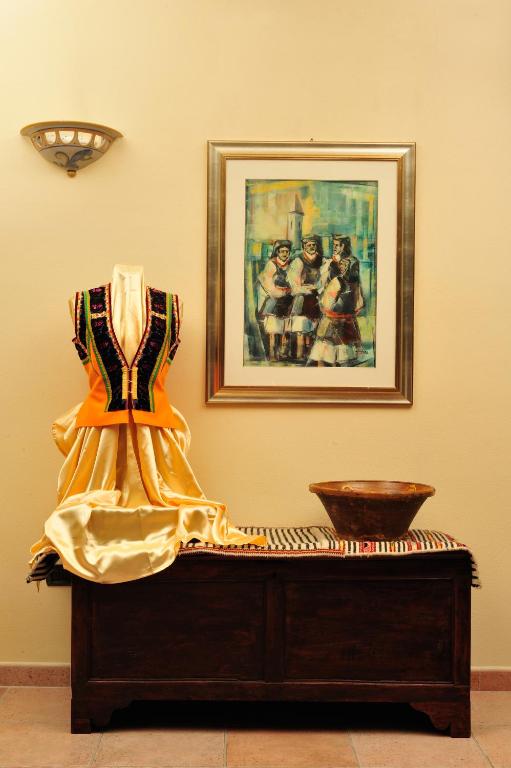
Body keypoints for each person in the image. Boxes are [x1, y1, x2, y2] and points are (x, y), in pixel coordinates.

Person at [28, 264, 265, 584]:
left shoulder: (170, 305)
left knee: (190, 511)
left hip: (156, 443)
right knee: (77, 513)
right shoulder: (82, 303)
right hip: (98, 442)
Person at [309, 235, 365, 366]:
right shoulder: (330, 262)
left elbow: (355, 284)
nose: (334, 247)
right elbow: (323, 281)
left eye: (337, 245)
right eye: (333, 245)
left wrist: (356, 301)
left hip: (344, 303)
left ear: (344, 246)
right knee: (327, 339)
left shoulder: (352, 261)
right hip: (330, 300)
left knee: (342, 339)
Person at [287, 234, 323, 361]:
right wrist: (305, 289)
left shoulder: (322, 261)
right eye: (309, 245)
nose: (312, 247)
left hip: (316, 298)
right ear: (304, 246)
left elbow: (324, 279)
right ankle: (299, 355)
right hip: (301, 298)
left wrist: (317, 287)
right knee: (300, 327)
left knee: (315, 327)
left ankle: (311, 356)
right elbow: (294, 283)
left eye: (314, 245)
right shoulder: (298, 261)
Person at [257, 239, 293, 361]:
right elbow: (269, 285)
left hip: (287, 300)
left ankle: (283, 353)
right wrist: (280, 292)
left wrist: (291, 291)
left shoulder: (292, 264)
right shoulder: (271, 264)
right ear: (277, 252)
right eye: (282, 251)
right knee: (273, 329)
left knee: (285, 328)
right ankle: (272, 354)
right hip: (274, 300)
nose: (285, 254)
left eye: (287, 251)